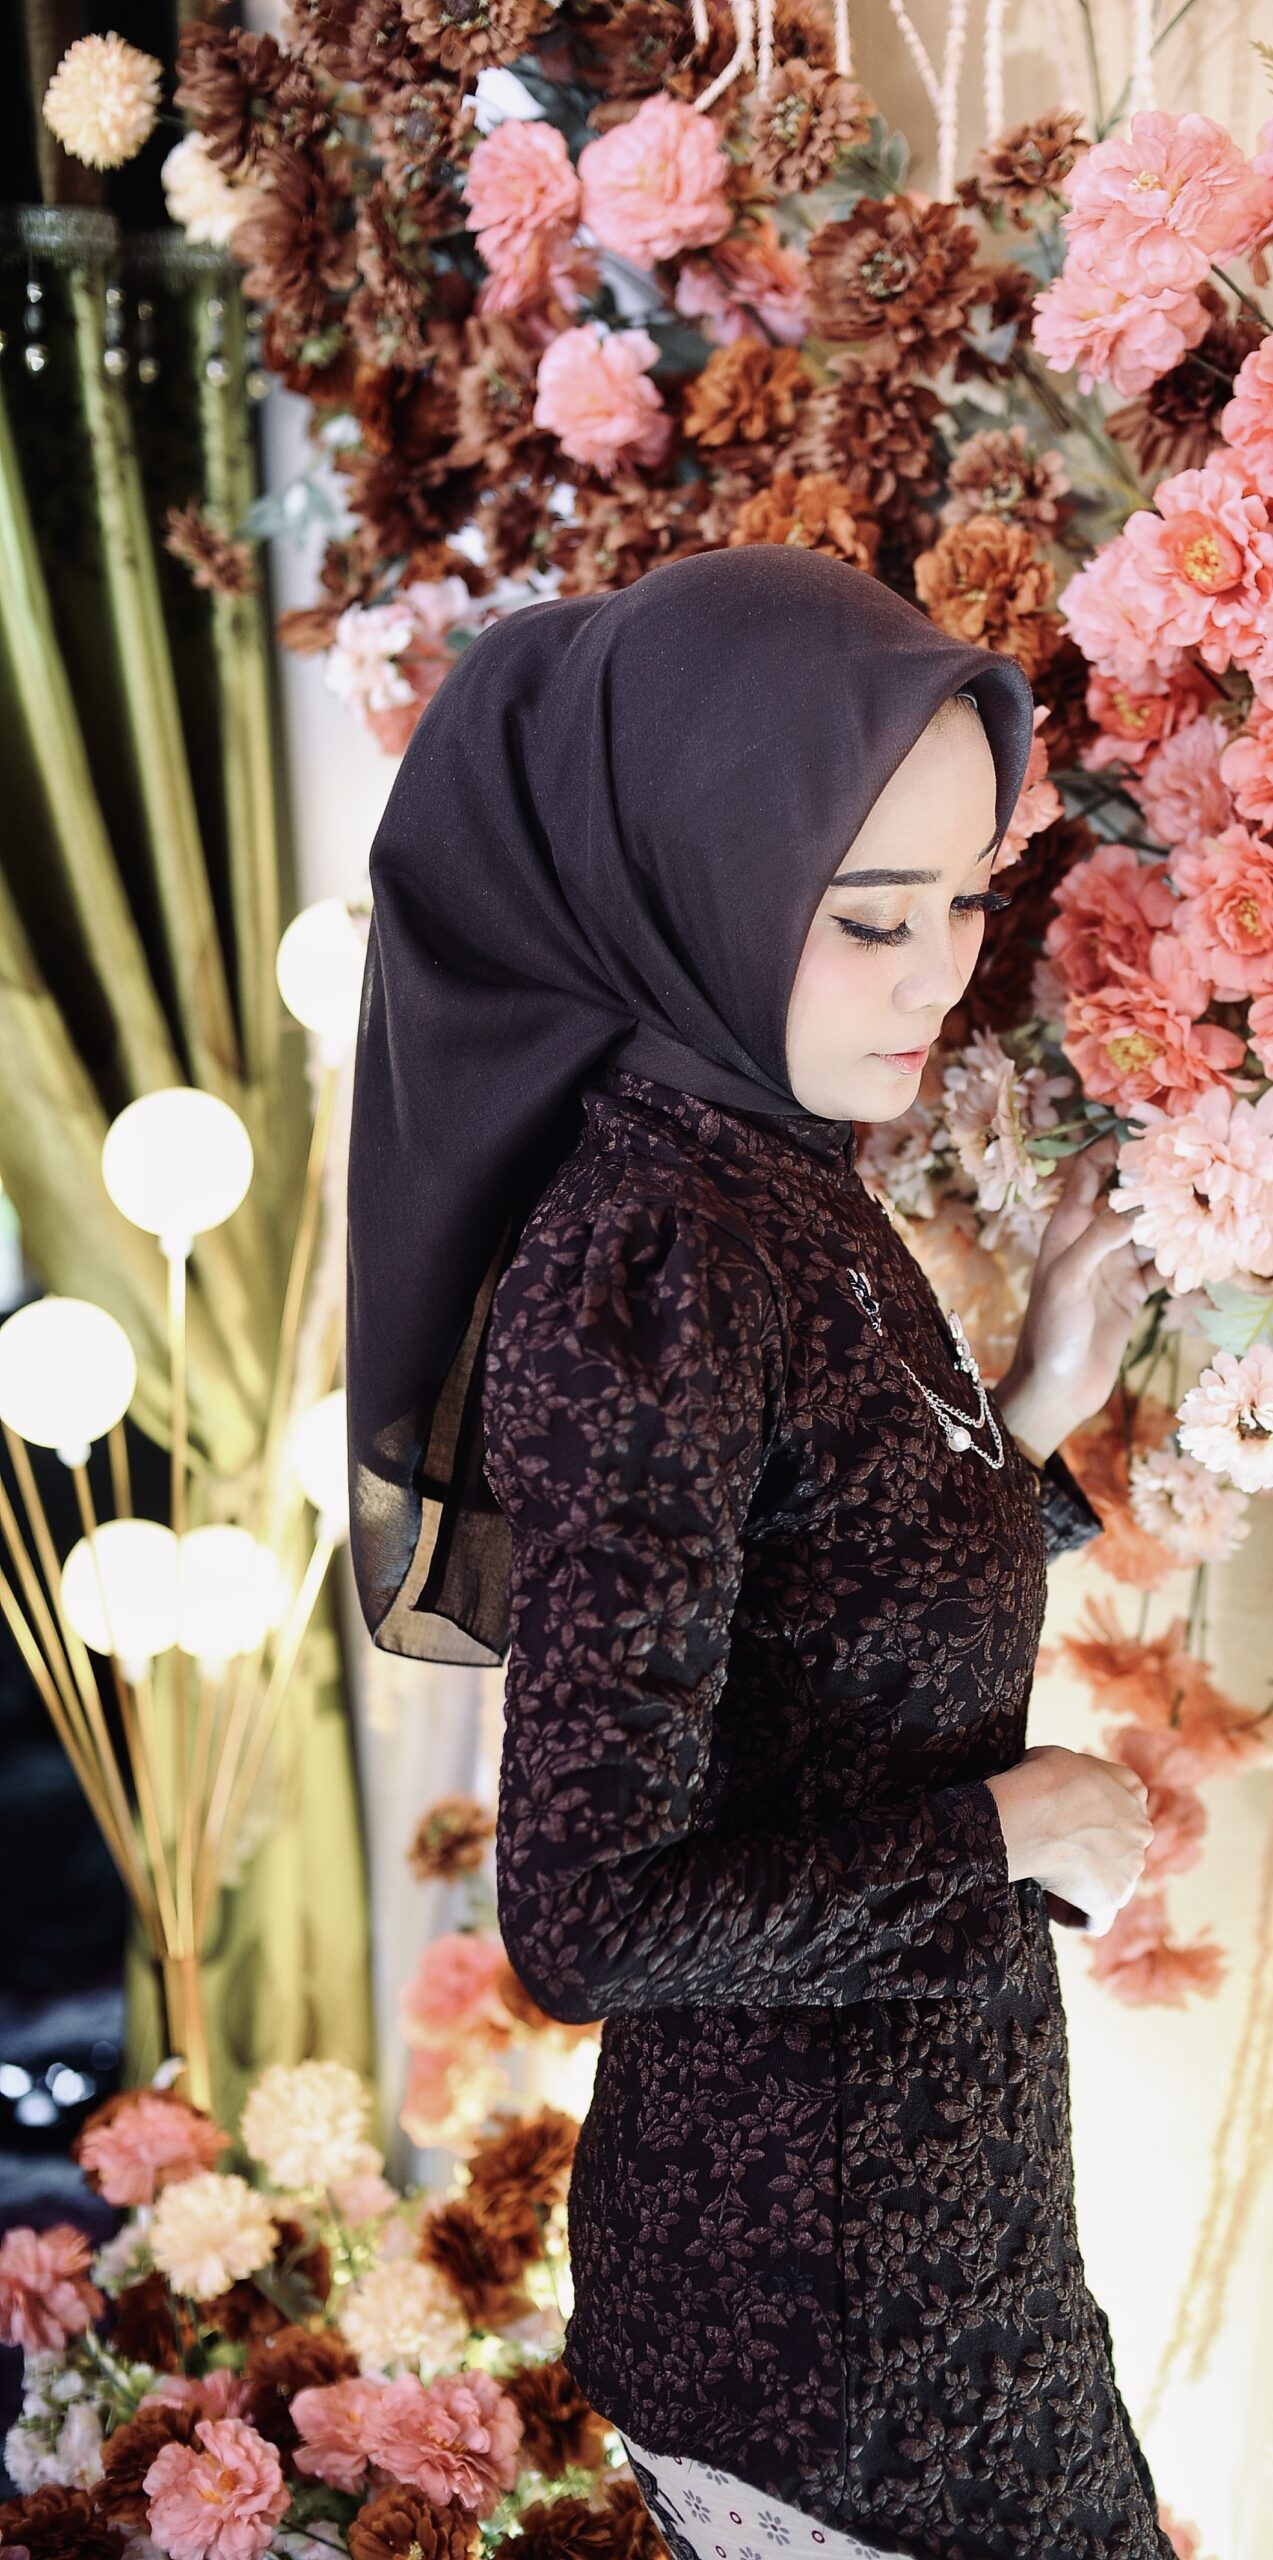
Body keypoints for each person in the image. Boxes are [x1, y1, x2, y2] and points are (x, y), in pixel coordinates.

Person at [344, 544, 1170, 2560]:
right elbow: (590, 1915)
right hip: (822, 2323)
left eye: (963, 900)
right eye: (870, 914)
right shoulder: (658, 1258)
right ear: (688, 879)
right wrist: (1008, 1828)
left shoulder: (770, 1176)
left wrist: (1034, 1405)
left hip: (926, 2262)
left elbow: (815, 1617)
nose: (936, 973)